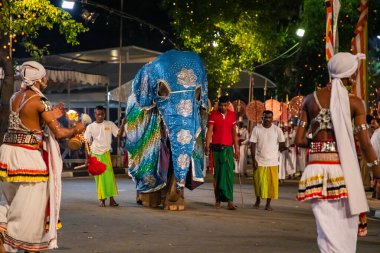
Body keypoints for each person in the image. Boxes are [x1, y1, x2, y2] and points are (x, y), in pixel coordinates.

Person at [295, 52, 380, 252]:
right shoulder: (355, 102)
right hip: (342, 173)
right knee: (344, 232)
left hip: (315, 172)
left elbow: (298, 140)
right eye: (354, 73)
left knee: (326, 230)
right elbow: (365, 144)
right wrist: (376, 171)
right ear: (349, 75)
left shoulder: (309, 100)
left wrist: (319, 145)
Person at [0, 61, 85, 252]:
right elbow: (61, 133)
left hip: (8, 154)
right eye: (44, 77)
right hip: (29, 158)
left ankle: (3, 236)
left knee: (12, 202)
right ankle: (27, 246)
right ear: (38, 79)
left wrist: (51, 113)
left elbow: (27, 117)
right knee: (32, 208)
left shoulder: (15, 96)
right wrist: (77, 128)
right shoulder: (41, 101)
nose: (46, 80)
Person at [205, 95, 240, 210]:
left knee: (229, 175)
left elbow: (234, 133)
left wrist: (237, 149)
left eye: (225, 105)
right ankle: (218, 200)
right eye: (221, 105)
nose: (223, 107)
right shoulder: (213, 114)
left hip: (228, 149)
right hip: (216, 149)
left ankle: (230, 200)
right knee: (218, 175)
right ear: (218, 104)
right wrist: (207, 145)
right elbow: (209, 131)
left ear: (228, 104)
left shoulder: (232, 115)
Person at [84, 106, 122, 207]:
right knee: (100, 178)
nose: (100, 116)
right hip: (95, 154)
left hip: (106, 153)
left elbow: (119, 134)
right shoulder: (90, 127)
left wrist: (123, 125)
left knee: (109, 177)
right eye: (98, 114)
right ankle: (102, 199)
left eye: (102, 114)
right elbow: (87, 142)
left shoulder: (109, 124)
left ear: (104, 114)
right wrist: (88, 158)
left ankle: (112, 199)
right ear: (94, 114)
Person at [250, 110, 286, 211]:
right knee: (258, 183)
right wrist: (253, 160)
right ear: (262, 117)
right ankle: (257, 201)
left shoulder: (277, 130)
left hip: (272, 162)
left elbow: (282, 144)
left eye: (269, 117)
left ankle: (268, 204)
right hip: (259, 160)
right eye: (265, 117)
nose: (267, 119)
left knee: (271, 184)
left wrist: (285, 147)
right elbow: (252, 145)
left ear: (272, 119)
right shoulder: (257, 129)